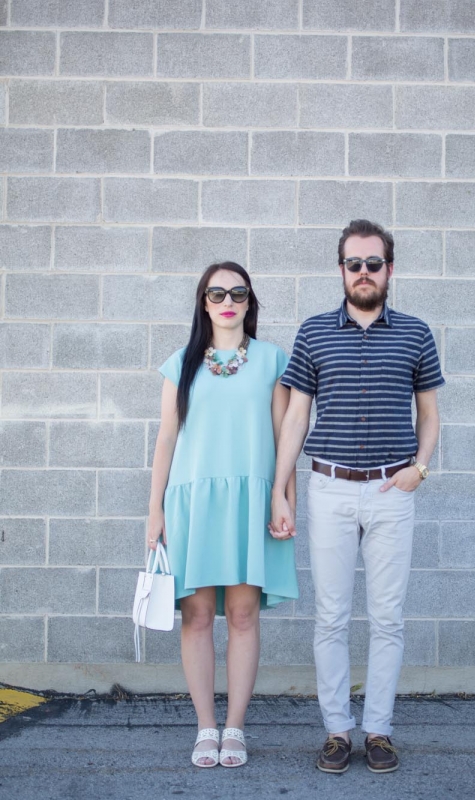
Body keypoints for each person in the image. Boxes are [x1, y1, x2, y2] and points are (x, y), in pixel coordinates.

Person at [270, 220, 444, 774]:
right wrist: (280, 490)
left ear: (389, 269)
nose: (363, 272)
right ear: (341, 269)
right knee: (331, 617)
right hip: (329, 489)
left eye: (373, 263)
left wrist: (420, 468)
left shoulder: (416, 333)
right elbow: (296, 417)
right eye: (354, 263)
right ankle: (337, 732)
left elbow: (429, 413)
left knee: (388, 618)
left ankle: (379, 731)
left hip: (393, 490)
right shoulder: (314, 332)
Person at [148, 262, 298, 769]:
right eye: (217, 293)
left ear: (250, 301)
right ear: (204, 302)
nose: (228, 301)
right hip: (191, 502)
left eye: (238, 292)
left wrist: (284, 499)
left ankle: (234, 727)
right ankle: (204, 727)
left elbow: (284, 438)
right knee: (195, 617)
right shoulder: (180, 364)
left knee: (242, 615)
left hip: (250, 501)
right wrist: (154, 511)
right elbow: (166, 439)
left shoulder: (272, 360)